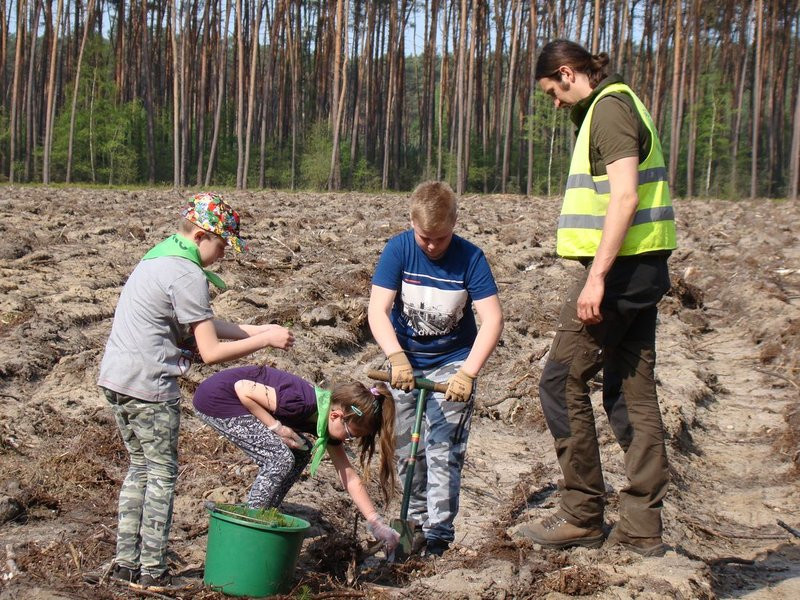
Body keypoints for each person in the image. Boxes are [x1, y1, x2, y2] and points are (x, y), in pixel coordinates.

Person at [517, 40, 677, 557]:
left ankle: (582, 513)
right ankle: (641, 527)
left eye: (552, 93)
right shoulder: (618, 103)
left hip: (620, 273)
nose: (555, 104)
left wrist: (596, 279)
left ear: (567, 73)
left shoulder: (609, 109)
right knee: (631, 391)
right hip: (644, 270)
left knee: (561, 382)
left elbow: (625, 196)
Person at [96, 193, 295, 592]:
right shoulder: (187, 275)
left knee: (139, 469)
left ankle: (125, 564)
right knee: (163, 475)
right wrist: (265, 343)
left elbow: (204, 322)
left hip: (116, 379)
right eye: (222, 245)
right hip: (149, 386)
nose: (223, 254)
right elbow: (210, 350)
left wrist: (260, 331)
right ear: (202, 235)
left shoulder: (158, 257)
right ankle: (153, 570)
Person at [368, 180, 504, 557]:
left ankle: (439, 536)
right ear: (412, 223)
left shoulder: (471, 258)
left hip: (453, 361)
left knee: (443, 448)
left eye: (439, 238)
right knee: (406, 447)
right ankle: (411, 524)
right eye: (424, 237)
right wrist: (396, 357)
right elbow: (377, 310)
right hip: (405, 360)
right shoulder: (398, 249)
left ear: (455, 223)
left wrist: (468, 373)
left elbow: (492, 320)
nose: (430, 245)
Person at [192, 364, 400, 552]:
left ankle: (266, 510)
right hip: (217, 400)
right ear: (337, 415)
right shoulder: (300, 402)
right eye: (350, 434)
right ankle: (253, 520)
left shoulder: (326, 419)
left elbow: (350, 478)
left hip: (236, 402)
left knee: (300, 452)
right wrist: (276, 427)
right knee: (279, 458)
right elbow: (243, 389)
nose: (348, 440)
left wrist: (375, 522)